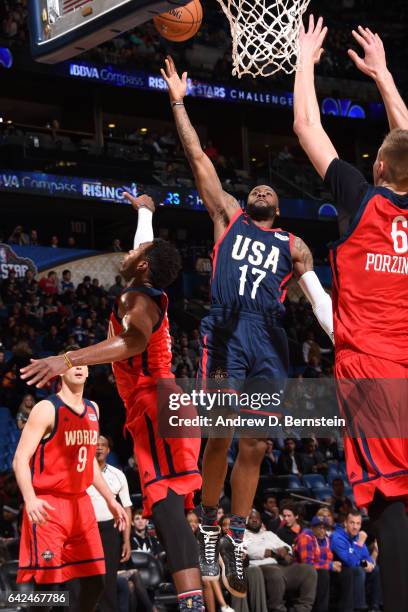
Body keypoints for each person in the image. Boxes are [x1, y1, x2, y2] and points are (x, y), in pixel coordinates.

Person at [161, 54, 334, 598]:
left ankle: (234, 528)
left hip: (270, 340)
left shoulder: (295, 246)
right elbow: (196, 159)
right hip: (231, 331)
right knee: (220, 433)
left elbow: (322, 298)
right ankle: (209, 522)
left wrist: (346, 334)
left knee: (256, 444)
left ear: (279, 210)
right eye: (257, 188)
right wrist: (177, 102)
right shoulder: (227, 215)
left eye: (270, 193)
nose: (262, 191)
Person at [20, 194, 204, 612]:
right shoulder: (144, 287)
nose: (128, 252)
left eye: (135, 253)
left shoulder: (134, 301)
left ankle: (193, 603)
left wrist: (64, 358)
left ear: (141, 265)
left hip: (154, 402)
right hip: (167, 402)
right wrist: (145, 212)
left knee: (164, 501)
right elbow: (145, 252)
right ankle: (193, 596)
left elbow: (132, 340)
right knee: (168, 504)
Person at [293, 17, 408, 612]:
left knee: (389, 500)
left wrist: (305, 58)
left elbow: (306, 125)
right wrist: (384, 74)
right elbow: (406, 136)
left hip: (372, 372)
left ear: (380, 170)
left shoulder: (363, 199)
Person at [13, 347, 128, 612]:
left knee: (96, 581)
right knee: (47, 587)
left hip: (81, 505)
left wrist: (111, 500)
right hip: (48, 505)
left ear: (87, 371)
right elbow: (20, 459)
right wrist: (30, 499)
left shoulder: (93, 409)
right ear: (60, 370)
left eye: (82, 362)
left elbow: (89, 462)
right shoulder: (46, 408)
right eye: (71, 362)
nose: (78, 366)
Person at [87, 434, 133, 612]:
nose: (98, 448)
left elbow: (127, 508)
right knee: (85, 578)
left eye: (103, 445)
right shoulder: (81, 473)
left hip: (109, 530)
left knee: (109, 580)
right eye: (95, 444)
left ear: (108, 450)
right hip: (85, 531)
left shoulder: (118, 474)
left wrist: (127, 540)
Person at [245, 510, 317, 612]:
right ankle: (277, 609)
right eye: (252, 518)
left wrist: (285, 550)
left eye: (257, 518)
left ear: (261, 521)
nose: (255, 520)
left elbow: (287, 546)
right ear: (246, 521)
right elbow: (251, 552)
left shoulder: (269, 534)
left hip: (279, 565)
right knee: (275, 573)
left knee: (308, 570)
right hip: (259, 568)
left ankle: (303, 609)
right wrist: (275, 553)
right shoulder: (243, 535)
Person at [330, 510, 380, 612]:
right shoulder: (337, 537)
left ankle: (375, 606)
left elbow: (366, 557)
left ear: (361, 525)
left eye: (358, 523)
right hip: (340, 570)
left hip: (353, 567)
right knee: (358, 570)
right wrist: (360, 544)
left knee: (376, 570)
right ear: (345, 523)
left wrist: (369, 563)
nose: (355, 527)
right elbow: (349, 561)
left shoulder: (357, 536)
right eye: (352, 523)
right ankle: (359, 608)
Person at [295, 516, 342, 612]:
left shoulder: (326, 539)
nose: (322, 530)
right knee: (323, 574)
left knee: (347, 571)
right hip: (301, 572)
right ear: (312, 528)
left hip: (319, 571)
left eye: (324, 528)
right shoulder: (306, 538)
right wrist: (330, 565)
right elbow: (307, 564)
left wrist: (333, 564)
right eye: (319, 527)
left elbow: (327, 559)